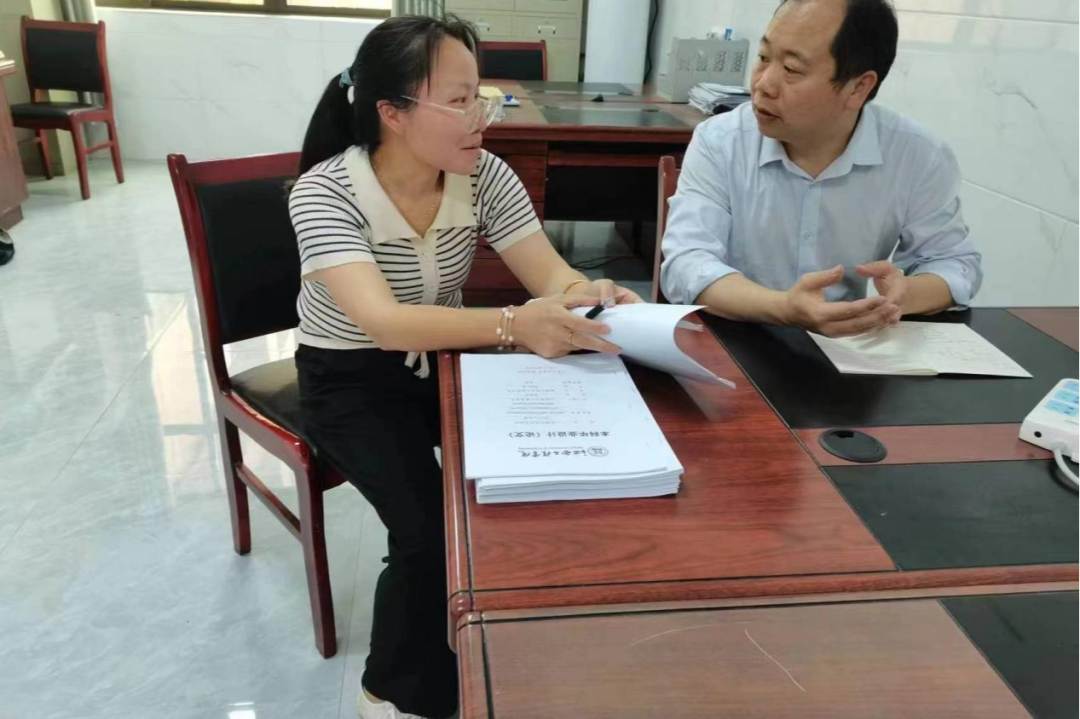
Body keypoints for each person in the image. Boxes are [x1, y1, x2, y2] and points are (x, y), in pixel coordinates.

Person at [288, 15, 642, 719]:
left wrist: (586, 292)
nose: (480, 118)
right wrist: (513, 326)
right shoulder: (325, 192)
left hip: (441, 360)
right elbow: (384, 323)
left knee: (521, 486)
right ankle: (390, 691)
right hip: (347, 378)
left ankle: (488, 636)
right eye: (457, 101)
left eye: (481, 97)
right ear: (391, 112)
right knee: (425, 531)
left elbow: (549, 273)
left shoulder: (484, 174)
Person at [661, 0, 982, 338]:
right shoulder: (720, 141)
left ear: (858, 87)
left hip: (850, 348)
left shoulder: (917, 155)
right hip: (734, 337)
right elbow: (687, 263)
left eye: (792, 69)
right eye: (764, 57)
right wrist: (785, 309)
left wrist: (906, 294)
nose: (763, 84)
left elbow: (954, 263)